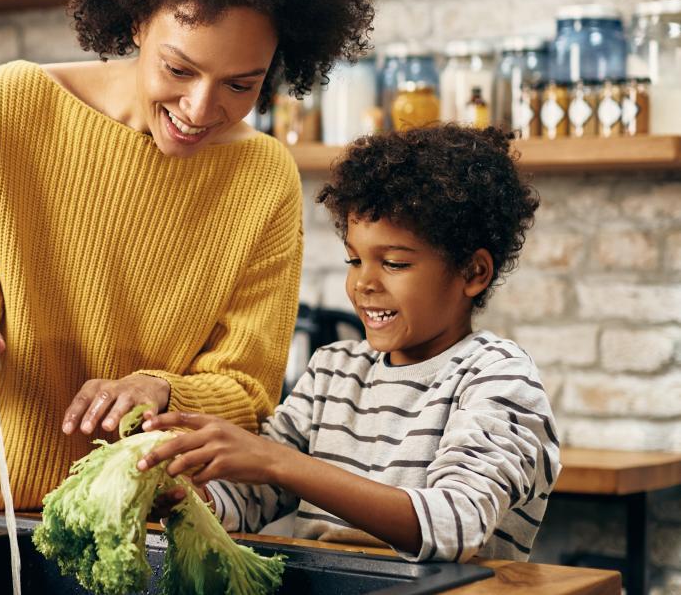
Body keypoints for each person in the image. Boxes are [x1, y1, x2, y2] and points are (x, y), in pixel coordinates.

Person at [0, 0, 374, 511]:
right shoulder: (9, 110)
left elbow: (248, 390)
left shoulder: (262, 178)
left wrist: (161, 390)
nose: (201, 110)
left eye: (240, 85)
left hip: (145, 526)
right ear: (138, 19)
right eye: (179, 69)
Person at [138, 125, 558, 562]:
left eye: (394, 263)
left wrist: (274, 460)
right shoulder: (333, 371)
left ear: (473, 273)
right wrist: (186, 496)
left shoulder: (499, 377)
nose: (363, 283)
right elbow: (249, 499)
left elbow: (455, 525)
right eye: (354, 260)